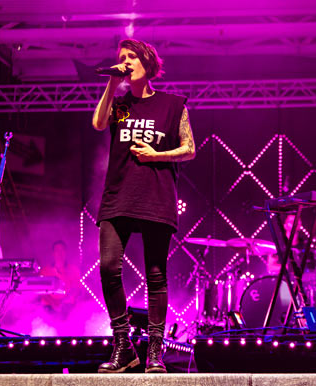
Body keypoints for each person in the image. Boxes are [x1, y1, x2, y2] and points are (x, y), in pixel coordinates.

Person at [92, 38, 195, 373]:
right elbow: (98, 122)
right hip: (118, 195)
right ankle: (123, 346)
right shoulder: (121, 105)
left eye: (131, 57)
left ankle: (154, 350)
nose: (125, 62)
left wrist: (156, 155)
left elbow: (189, 148)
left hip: (155, 194)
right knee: (108, 267)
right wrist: (112, 80)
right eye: (121, 58)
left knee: (156, 274)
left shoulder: (171, 105)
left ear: (148, 63)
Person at [39, 240, 81, 317]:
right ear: (53, 253)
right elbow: (41, 290)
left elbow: (76, 289)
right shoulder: (45, 271)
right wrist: (53, 303)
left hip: (68, 306)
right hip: (48, 307)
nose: (59, 253)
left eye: (62, 250)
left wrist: (63, 302)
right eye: (57, 250)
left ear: (66, 252)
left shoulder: (74, 270)